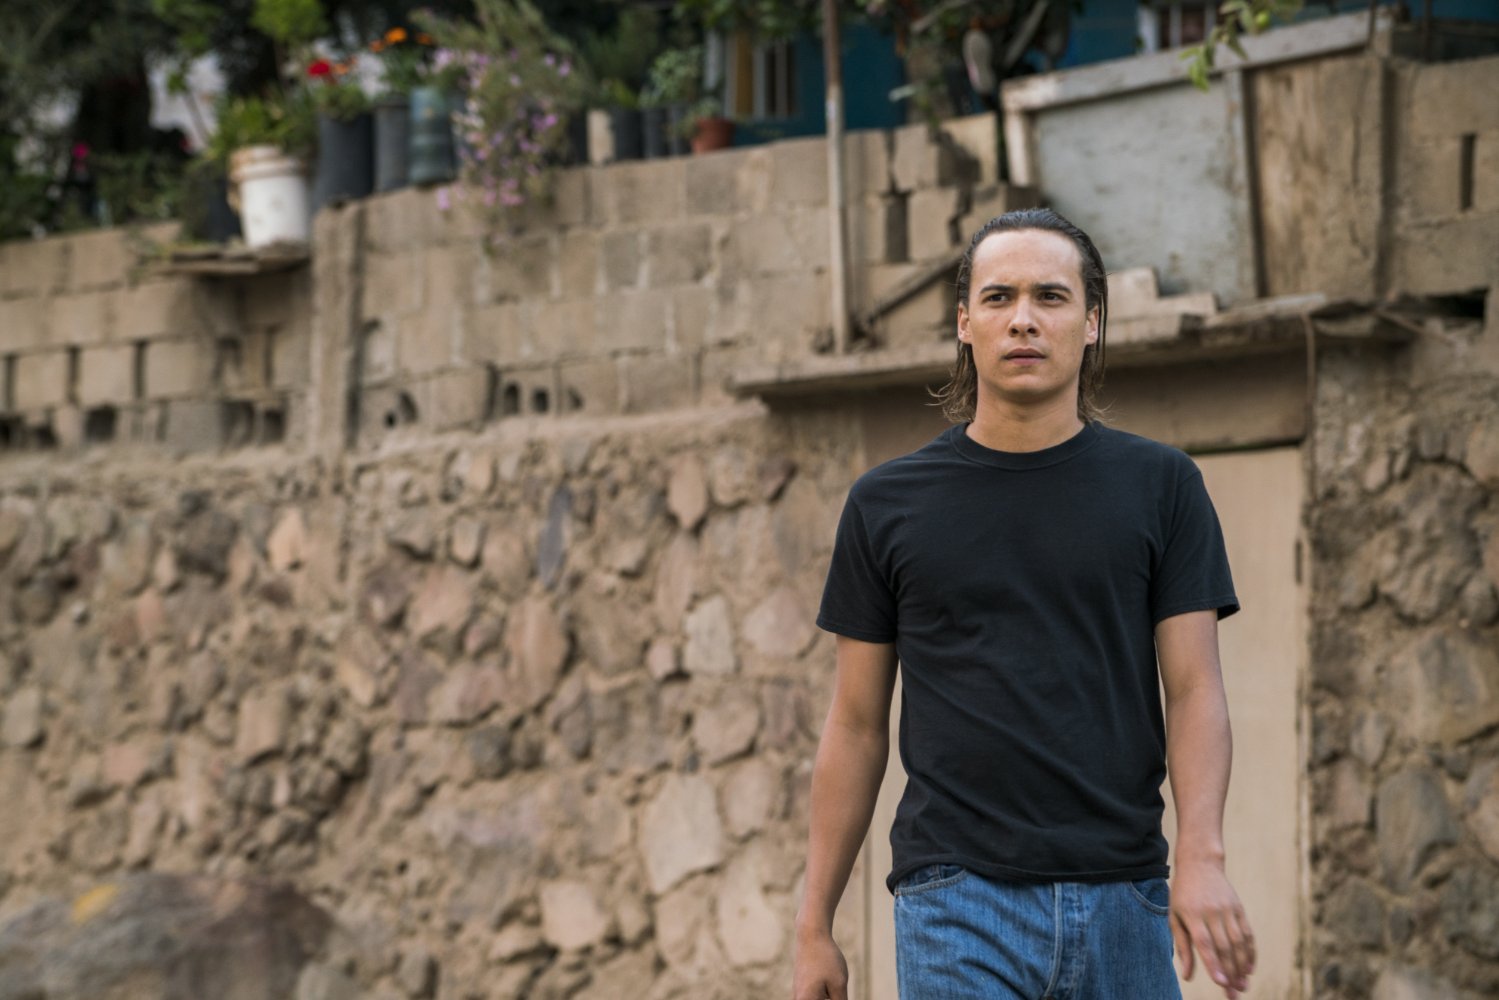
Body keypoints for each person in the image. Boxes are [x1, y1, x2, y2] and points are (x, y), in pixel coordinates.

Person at [792, 208, 1256, 1000]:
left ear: (1091, 322)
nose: (1023, 320)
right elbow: (855, 724)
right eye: (999, 297)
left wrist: (1200, 857)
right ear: (964, 323)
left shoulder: (1162, 486)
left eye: (1049, 296)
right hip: (954, 899)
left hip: (1125, 896)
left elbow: (1192, 689)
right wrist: (814, 926)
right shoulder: (885, 504)